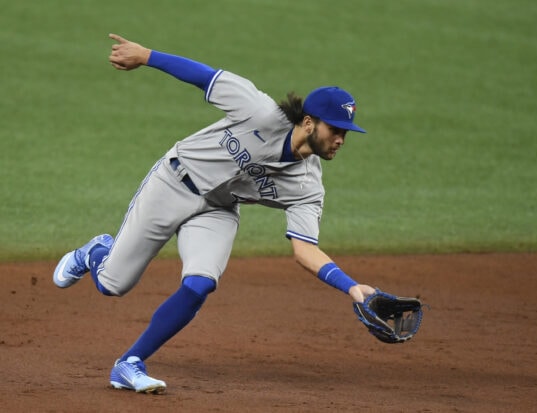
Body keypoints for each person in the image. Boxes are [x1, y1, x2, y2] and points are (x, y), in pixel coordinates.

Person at [53, 33, 376, 394]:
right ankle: (95, 252)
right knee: (113, 285)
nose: (341, 141)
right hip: (173, 184)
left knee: (201, 282)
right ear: (309, 122)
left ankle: (129, 363)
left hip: (218, 210)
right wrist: (145, 55)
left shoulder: (308, 187)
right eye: (336, 130)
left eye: (346, 134)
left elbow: (305, 249)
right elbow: (204, 76)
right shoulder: (260, 110)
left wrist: (351, 287)